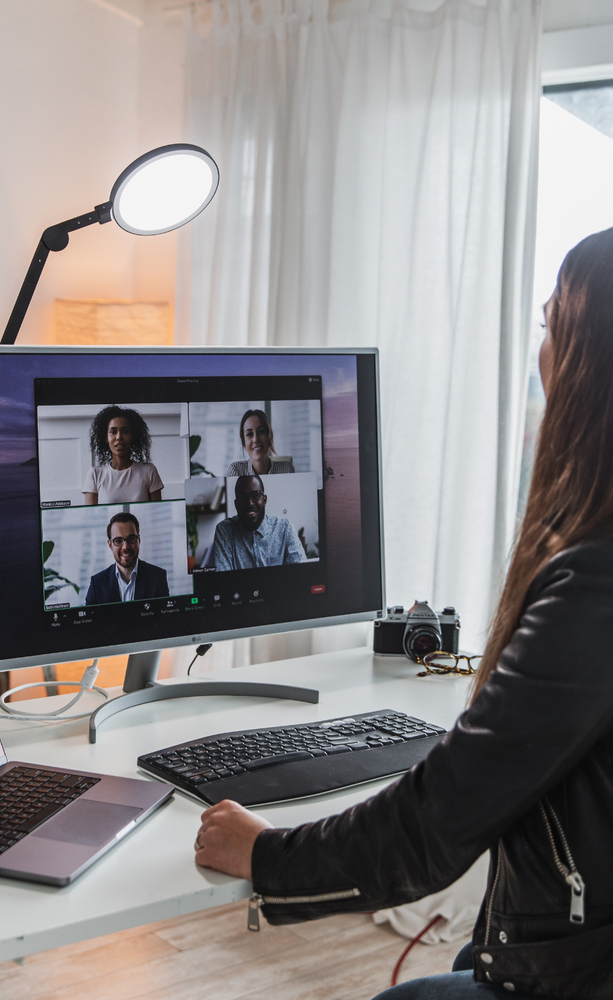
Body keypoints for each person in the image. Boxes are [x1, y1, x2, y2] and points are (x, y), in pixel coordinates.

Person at [193, 228, 613, 998]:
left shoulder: (595, 581)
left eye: (551, 323)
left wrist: (268, 858)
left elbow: (439, 819)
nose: (540, 348)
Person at [212, 475, 304, 570]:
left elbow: (299, 572)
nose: (249, 503)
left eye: (255, 496)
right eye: (243, 498)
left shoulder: (284, 528)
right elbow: (222, 579)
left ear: (264, 500)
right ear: (236, 504)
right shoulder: (225, 530)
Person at [83, 406, 163, 504]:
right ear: (106, 438)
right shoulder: (95, 474)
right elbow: (91, 517)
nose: (119, 437)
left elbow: (157, 513)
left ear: (133, 436)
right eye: (113, 432)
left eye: (125, 431)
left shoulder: (149, 471)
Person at [85, 512, 169, 605]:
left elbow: (165, 617)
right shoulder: (97, 583)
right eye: (118, 541)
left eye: (131, 539)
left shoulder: (157, 577)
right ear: (110, 545)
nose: (125, 547)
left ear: (139, 540)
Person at [226, 409, 295, 477]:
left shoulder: (287, 470)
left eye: (261, 431)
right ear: (244, 443)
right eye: (250, 434)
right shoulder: (236, 471)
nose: (256, 439)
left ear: (269, 437)